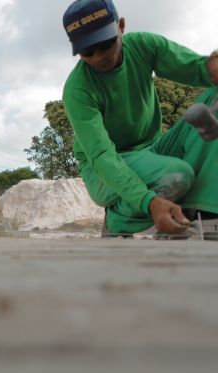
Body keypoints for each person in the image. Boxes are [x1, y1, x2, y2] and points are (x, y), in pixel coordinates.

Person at [62, 0, 218, 237]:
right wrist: (149, 202)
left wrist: (211, 68)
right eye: (87, 52)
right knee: (177, 175)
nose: (98, 58)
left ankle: (198, 214)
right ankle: (117, 219)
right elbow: (102, 155)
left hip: (153, 150)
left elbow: (196, 69)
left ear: (121, 26)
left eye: (105, 45)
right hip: (103, 168)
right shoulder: (78, 90)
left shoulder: (144, 45)